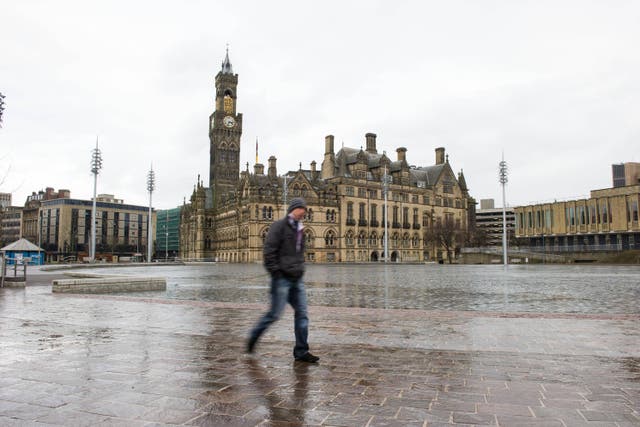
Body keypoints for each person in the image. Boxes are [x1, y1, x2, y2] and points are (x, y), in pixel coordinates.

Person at [247, 197, 319, 363]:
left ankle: (301, 351)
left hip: (297, 279)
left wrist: (300, 268)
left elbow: (299, 253)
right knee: (274, 314)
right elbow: (269, 252)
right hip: (281, 279)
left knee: (302, 314)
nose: (304, 212)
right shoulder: (278, 226)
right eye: (302, 208)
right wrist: (277, 273)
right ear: (294, 209)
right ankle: (253, 337)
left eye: (305, 209)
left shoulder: (300, 229)